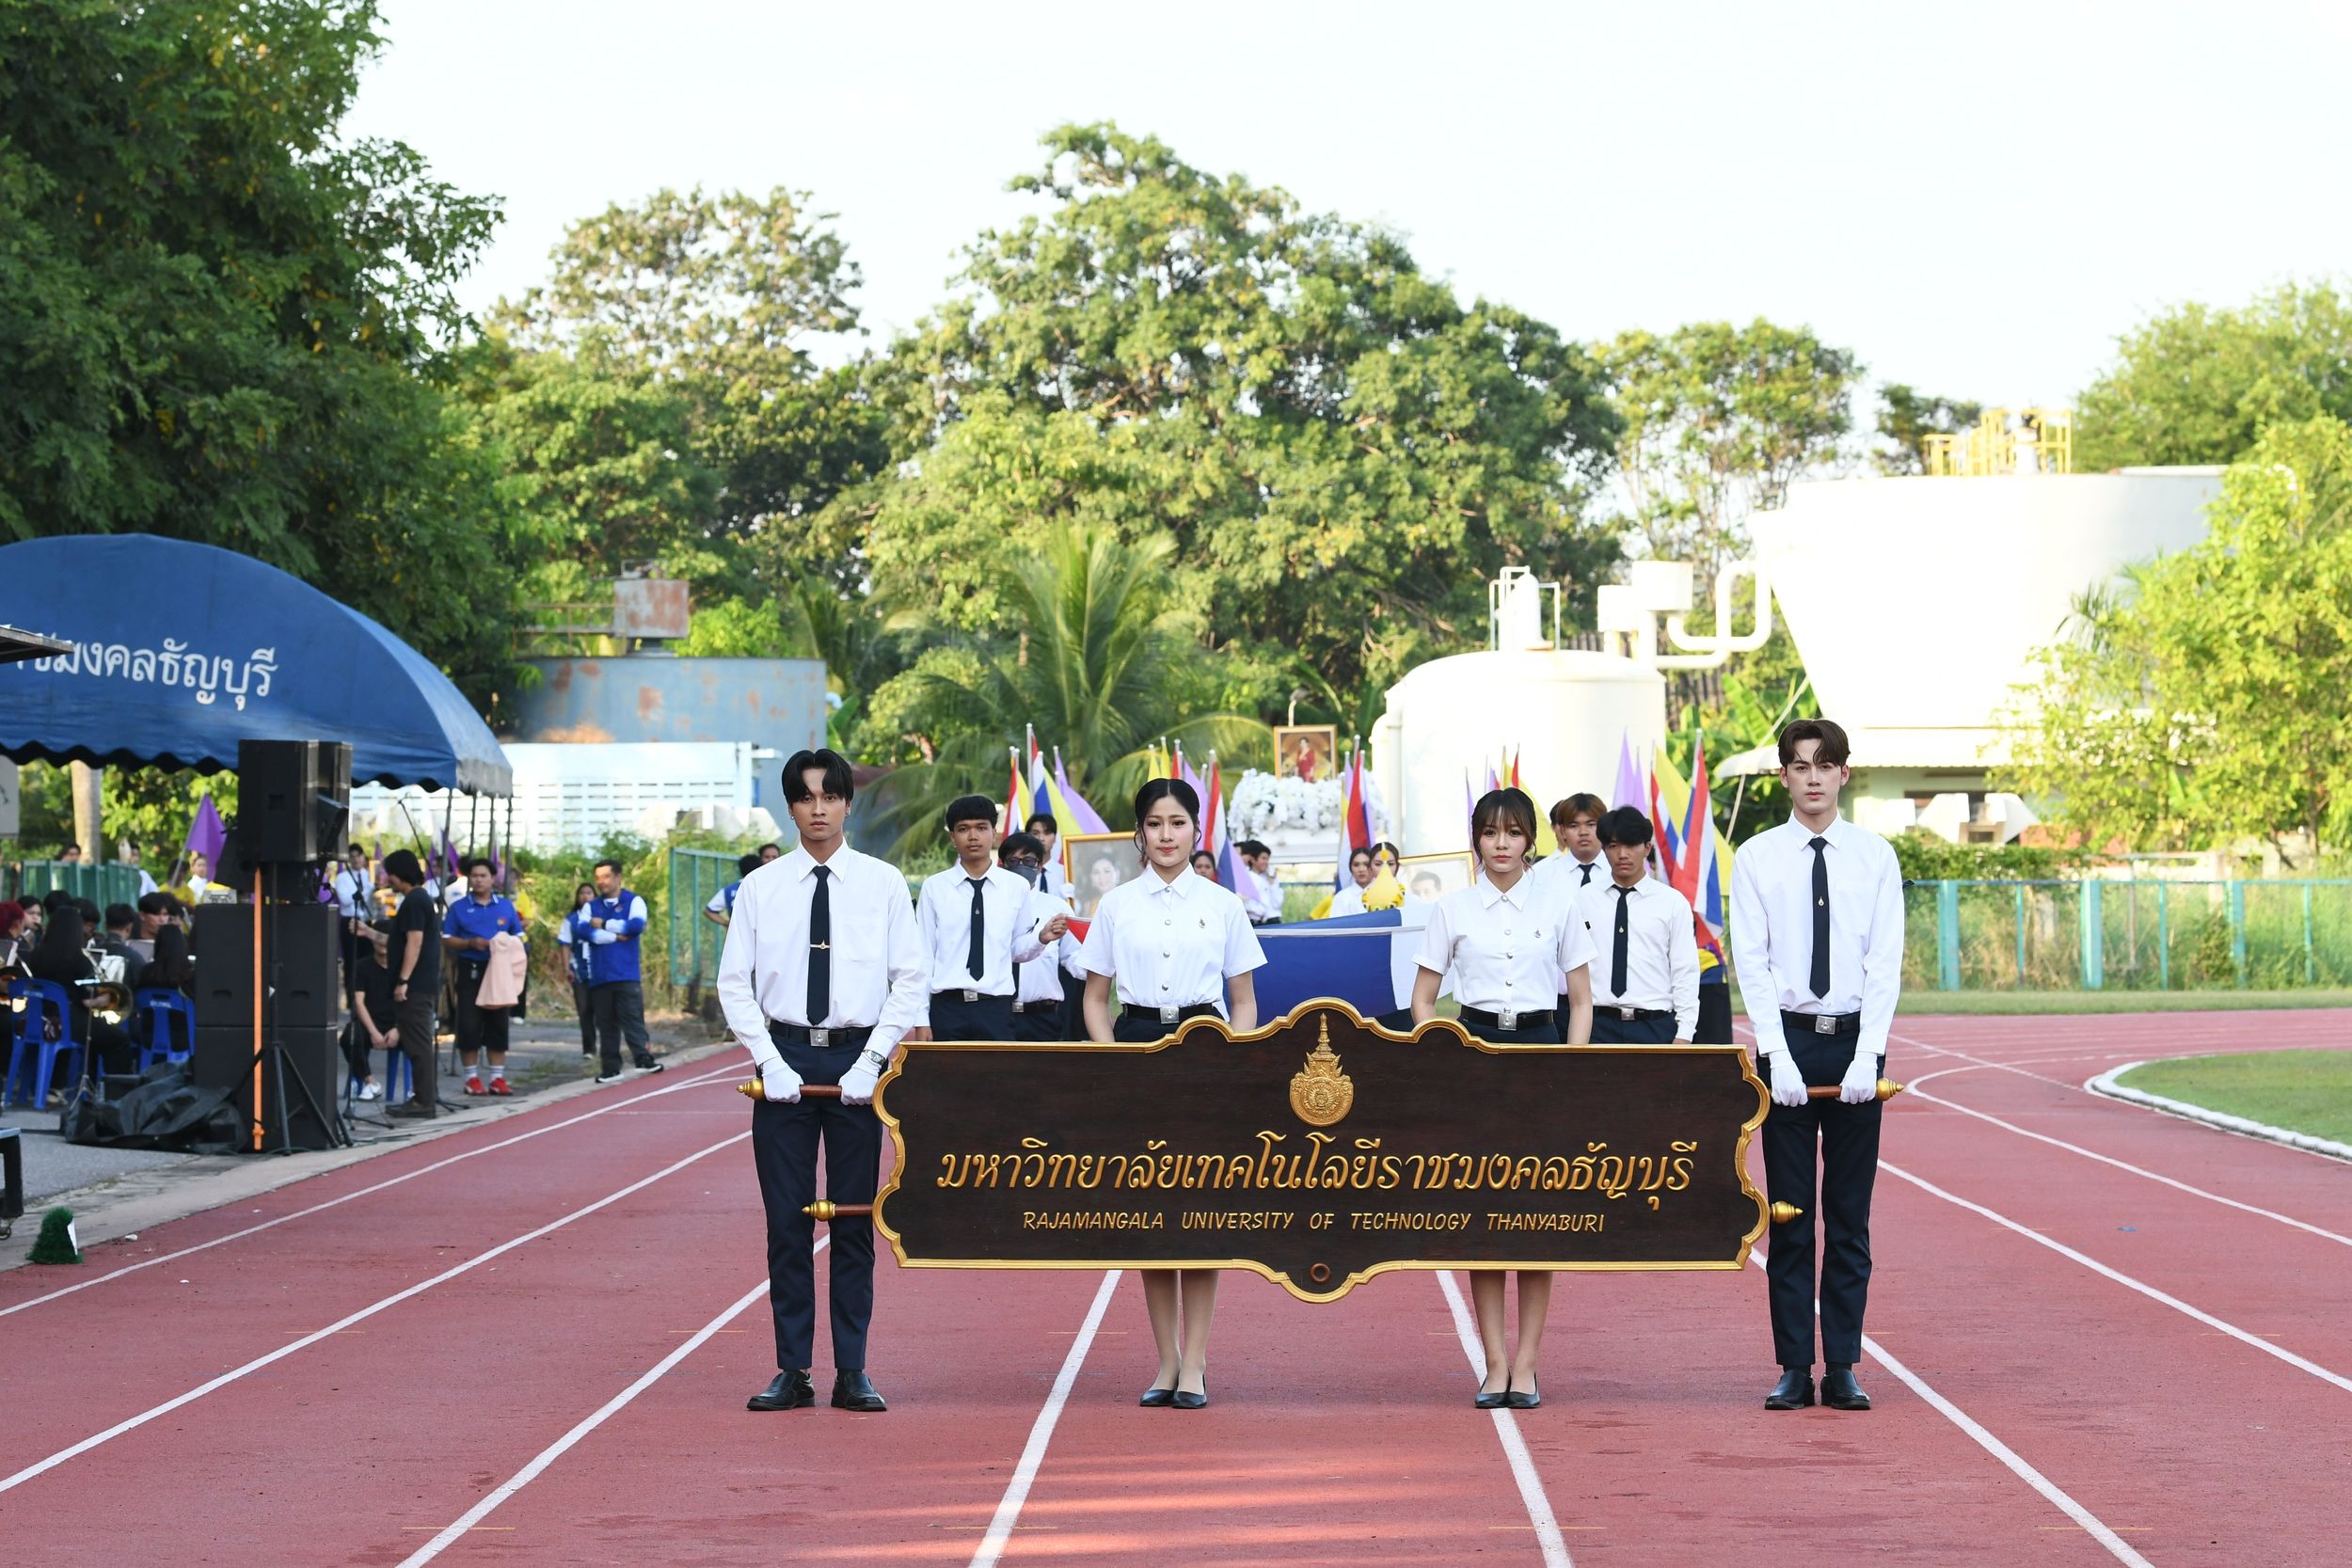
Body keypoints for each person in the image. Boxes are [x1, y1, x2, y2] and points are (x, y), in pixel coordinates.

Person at [719, 748, 927, 1417]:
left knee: (855, 1220)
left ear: (846, 804)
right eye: (806, 797)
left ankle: (853, 1369)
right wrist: (767, 1058)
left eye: (830, 796)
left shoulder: (883, 883)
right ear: (790, 806)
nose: (818, 809)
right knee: (786, 1223)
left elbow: (910, 978)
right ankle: (793, 1368)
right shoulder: (761, 888)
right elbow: (733, 983)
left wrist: (872, 1060)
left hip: (856, 1061)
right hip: (783, 1060)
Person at [1730, 718, 1903, 1415]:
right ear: (1783, 776)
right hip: (1790, 1044)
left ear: (1843, 774)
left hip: (1856, 1044)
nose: (1812, 777)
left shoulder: (1875, 856)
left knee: (1850, 1217)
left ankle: (1844, 1365)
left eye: (1824, 765)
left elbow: (1885, 962)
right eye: (1799, 765)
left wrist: (1867, 1053)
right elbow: (1753, 962)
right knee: (1791, 1215)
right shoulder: (1757, 857)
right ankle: (1795, 1366)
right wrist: (1775, 1055)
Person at [1079, 778, 1266, 1411]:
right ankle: (1165, 1362)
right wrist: (1113, 1063)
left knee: (1201, 1214)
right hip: (1136, 1048)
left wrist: (1232, 1062)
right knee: (1151, 1216)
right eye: (1155, 823)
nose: (1166, 834)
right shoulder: (1115, 906)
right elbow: (1095, 998)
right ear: (1139, 832)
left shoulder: (1223, 904)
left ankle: (1197, 1363)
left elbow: (1244, 1000)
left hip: (1206, 1049)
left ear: (1196, 830)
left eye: (1178, 822)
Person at [1410, 787, 1594, 1411]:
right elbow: (1423, 999)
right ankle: (1493, 1365)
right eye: (1490, 833)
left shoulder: (1560, 903)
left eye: (1513, 832)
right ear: (1476, 841)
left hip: (1541, 1054)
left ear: (1530, 840)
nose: (1501, 844)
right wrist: (1444, 1061)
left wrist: (1570, 1068)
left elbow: (1582, 999)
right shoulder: (1452, 909)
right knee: (1483, 1217)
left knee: (1536, 1218)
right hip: (1475, 1055)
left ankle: (1528, 1364)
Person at [1571, 808, 1699, 1045]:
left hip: (1655, 1026)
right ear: (1603, 849)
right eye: (1613, 846)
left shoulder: (1672, 902)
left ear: (1647, 848)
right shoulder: (1583, 899)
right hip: (1597, 1026)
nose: (1622, 854)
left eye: (1631, 845)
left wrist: (1684, 1033)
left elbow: (1685, 970)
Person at [916, 795, 1034, 1043]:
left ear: (994, 832)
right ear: (952, 837)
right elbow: (923, 955)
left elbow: (1017, 950)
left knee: (997, 1069)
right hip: (947, 1008)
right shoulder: (934, 888)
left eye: (981, 828)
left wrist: (1042, 939)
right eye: (963, 829)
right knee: (945, 1070)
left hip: (996, 1007)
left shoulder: (1017, 887)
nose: (973, 836)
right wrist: (921, 1018)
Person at [24, 904, 137, 1084]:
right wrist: (107, 998)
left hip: (36, 1018)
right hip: (67, 1022)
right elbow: (88, 1001)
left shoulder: (36, 955)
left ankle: (55, 1086)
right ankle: (116, 1090)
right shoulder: (79, 961)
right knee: (119, 1039)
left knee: (96, 1032)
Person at [443, 857, 525, 1096]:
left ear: (492, 879)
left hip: (498, 970)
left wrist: (504, 945)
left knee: (498, 1022)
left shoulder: (505, 906)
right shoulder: (459, 907)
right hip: (470, 969)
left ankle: (497, 1078)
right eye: (474, 876)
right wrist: (470, 943)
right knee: (469, 1023)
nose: (478, 880)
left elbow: (518, 936)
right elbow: (447, 938)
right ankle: (471, 1078)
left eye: (483, 876)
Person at [581, 858, 661, 1085]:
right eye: (598, 878)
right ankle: (610, 1068)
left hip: (626, 974)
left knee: (632, 1018)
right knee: (605, 1024)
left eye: (606, 877)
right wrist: (617, 935)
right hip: (600, 976)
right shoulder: (590, 906)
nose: (601, 882)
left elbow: (635, 926)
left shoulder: (633, 901)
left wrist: (603, 925)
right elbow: (583, 931)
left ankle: (643, 1058)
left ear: (618, 877)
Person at [379, 849, 442, 1119]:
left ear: (400, 873)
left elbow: (414, 942)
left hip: (415, 985)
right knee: (417, 1042)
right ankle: (423, 1097)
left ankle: (423, 1100)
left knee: (417, 1044)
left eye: (390, 874)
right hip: (418, 983)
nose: (388, 879)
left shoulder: (415, 901)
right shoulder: (418, 899)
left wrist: (403, 980)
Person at [999, 832, 1077, 1042]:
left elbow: (1074, 958)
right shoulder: (990, 905)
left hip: (1042, 1017)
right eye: (1013, 861)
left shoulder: (1057, 907)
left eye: (1028, 861)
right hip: (997, 1013)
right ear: (1002, 865)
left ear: (1040, 866)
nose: (1021, 866)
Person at [345, 924, 396, 1102]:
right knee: (349, 1036)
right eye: (378, 937)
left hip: (399, 1024)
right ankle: (370, 1082)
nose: (381, 943)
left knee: (419, 1036)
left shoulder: (402, 966)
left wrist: (398, 1029)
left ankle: (417, 1089)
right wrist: (374, 1032)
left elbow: (411, 1003)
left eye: (385, 938)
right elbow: (358, 1002)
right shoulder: (362, 966)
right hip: (370, 1022)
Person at [559, 881, 598, 1058]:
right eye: (582, 893)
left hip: (600, 969)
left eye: (589, 893)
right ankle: (589, 1048)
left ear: (595, 896)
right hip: (579, 971)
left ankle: (608, 1047)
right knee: (584, 1009)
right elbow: (565, 945)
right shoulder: (571, 920)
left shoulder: (601, 917)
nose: (585, 896)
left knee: (603, 1009)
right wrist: (566, 967)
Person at [707, 852, 763, 929]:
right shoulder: (764, 888)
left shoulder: (729, 890)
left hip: (737, 933)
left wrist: (726, 923)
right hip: (761, 932)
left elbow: (709, 910)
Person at [1024, 812, 1071, 898]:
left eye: (1047, 833)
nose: (1041, 838)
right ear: (1027, 837)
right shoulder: (1021, 873)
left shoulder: (1066, 874)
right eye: (1035, 833)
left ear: (1055, 838)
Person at [1235, 840, 1280, 925]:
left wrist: (1272, 885)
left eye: (1267, 859)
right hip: (1254, 921)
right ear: (1252, 859)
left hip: (1272, 921)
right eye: (1263, 858)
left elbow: (1277, 903)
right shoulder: (1246, 877)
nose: (1266, 862)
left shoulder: (1271, 877)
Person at [1326, 847, 1375, 916]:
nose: (1361, 869)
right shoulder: (1341, 897)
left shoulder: (1383, 894)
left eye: (1366, 864)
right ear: (1350, 868)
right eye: (1356, 865)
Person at [1080, 852, 1122, 919]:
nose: (1102, 877)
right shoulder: (1089, 906)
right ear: (1091, 877)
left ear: (1117, 873)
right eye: (1096, 873)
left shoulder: (1127, 901)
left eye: (1106, 871)